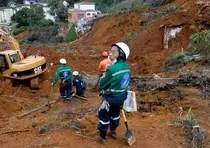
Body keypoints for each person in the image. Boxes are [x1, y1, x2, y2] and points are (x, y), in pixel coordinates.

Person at [97, 42, 131, 144]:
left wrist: (105, 74)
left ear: (120, 54)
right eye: (110, 51)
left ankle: (102, 137)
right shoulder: (126, 67)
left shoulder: (111, 69)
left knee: (104, 116)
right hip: (121, 97)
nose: (110, 53)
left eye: (113, 52)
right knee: (116, 114)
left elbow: (102, 84)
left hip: (110, 98)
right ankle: (113, 131)